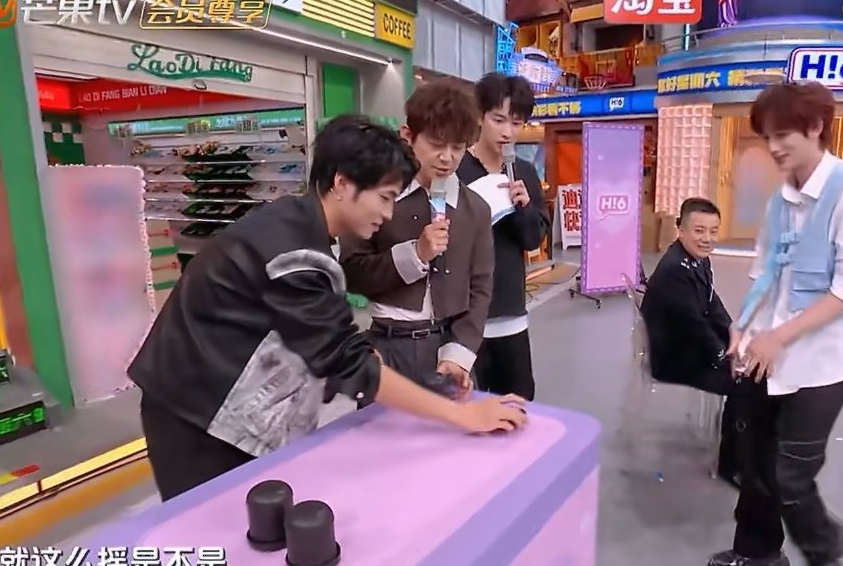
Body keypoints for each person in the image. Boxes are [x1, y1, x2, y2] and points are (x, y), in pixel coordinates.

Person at [128, 116, 527, 501]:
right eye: (384, 198)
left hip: (229, 399)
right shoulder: (295, 253)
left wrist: (430, 387)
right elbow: (347, 361)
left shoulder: (303, 227)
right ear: (342, 182)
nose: (388, 214)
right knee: (216, 528)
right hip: (197, 414)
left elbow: (333, 339)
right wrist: (463, 416)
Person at [707, 82, 843, 566]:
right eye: (767, 137)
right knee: (752, 461)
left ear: (816, 127)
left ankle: (825, 551)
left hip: (822, 364)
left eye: (783, 135)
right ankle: (759, 549)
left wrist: (778, 337)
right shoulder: (780, 201)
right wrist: (743, 328)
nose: (773, 147)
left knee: (792, 473)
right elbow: (765, 272)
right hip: (766, 352)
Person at [340, 82, 494, 394]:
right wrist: (415, 255)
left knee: (450, 425)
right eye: (437, 144)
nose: (447, 158)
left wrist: (460, 354)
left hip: (447, 349)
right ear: (408, 136)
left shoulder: (475, 209)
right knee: (383, 426)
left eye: (458, 147)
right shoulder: (376, 197)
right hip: (386, 345)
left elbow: (480, 287)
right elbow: (351, 272)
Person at [456, 73, 549, 401]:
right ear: (480, 116)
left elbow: (532, 240)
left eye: (516, 122)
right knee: (465, 403)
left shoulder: (524, 172)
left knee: (519, 400)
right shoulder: (457, 169)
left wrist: (524, 208)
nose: (507, 132)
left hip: (510, 310)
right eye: (498, 120)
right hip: (463, 314)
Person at [639, 198, 740, 486]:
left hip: (687, 345)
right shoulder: (676, 271)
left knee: (745, 367)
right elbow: (695, 327)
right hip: (673, 358)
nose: (707, 238)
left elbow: (711, 303)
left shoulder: (696, 259)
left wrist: (733, 332)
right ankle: (732, 463)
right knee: (747, 384)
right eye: (699, 230)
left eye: (713, 231)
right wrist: (727, 358)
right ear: (680, 230)